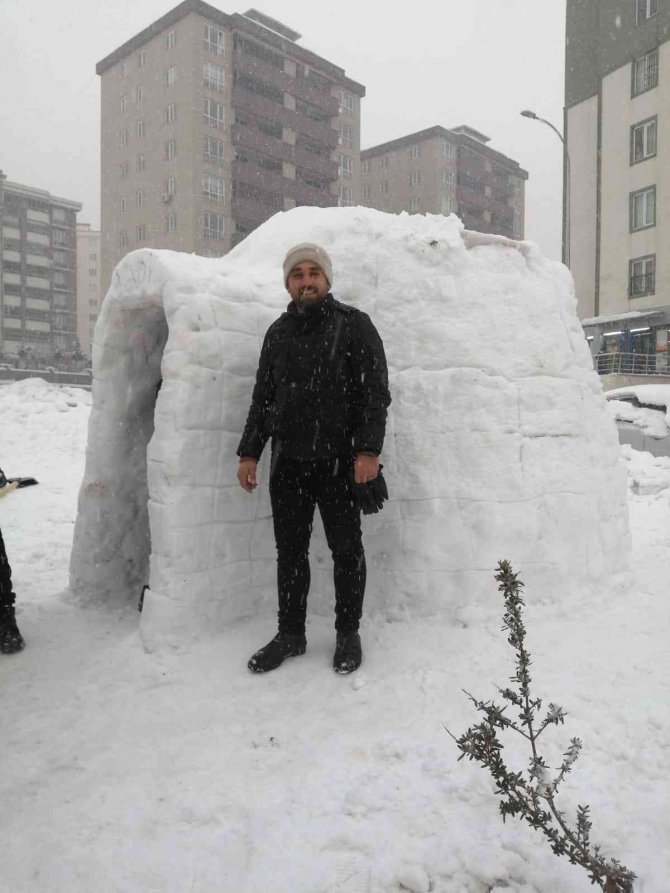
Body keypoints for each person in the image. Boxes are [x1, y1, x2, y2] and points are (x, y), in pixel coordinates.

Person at [237, 243, 391, 674]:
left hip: (339, 462)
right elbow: (263, 398)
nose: (306, 281)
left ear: (326, 279)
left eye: (313, 273)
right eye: (297, 274)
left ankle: (347, 633)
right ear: (288, 283)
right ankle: (290, 635)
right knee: (290, 553)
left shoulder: (354, 325)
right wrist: (250, 452)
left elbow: (375, 394)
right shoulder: (277, 333)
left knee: (346, 550)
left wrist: (367, 451)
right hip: (288, 464)